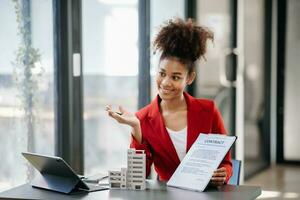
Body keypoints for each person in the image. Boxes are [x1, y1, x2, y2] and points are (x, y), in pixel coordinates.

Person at [106, 18, 232, 186]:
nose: (165, 82)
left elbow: (226, 162)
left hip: (206, 194)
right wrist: (136, 128)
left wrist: (224, 174)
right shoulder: (143, 118)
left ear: (190, 78)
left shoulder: (208, 110)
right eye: (162, 73)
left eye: (175, 77)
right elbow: (139, 176)